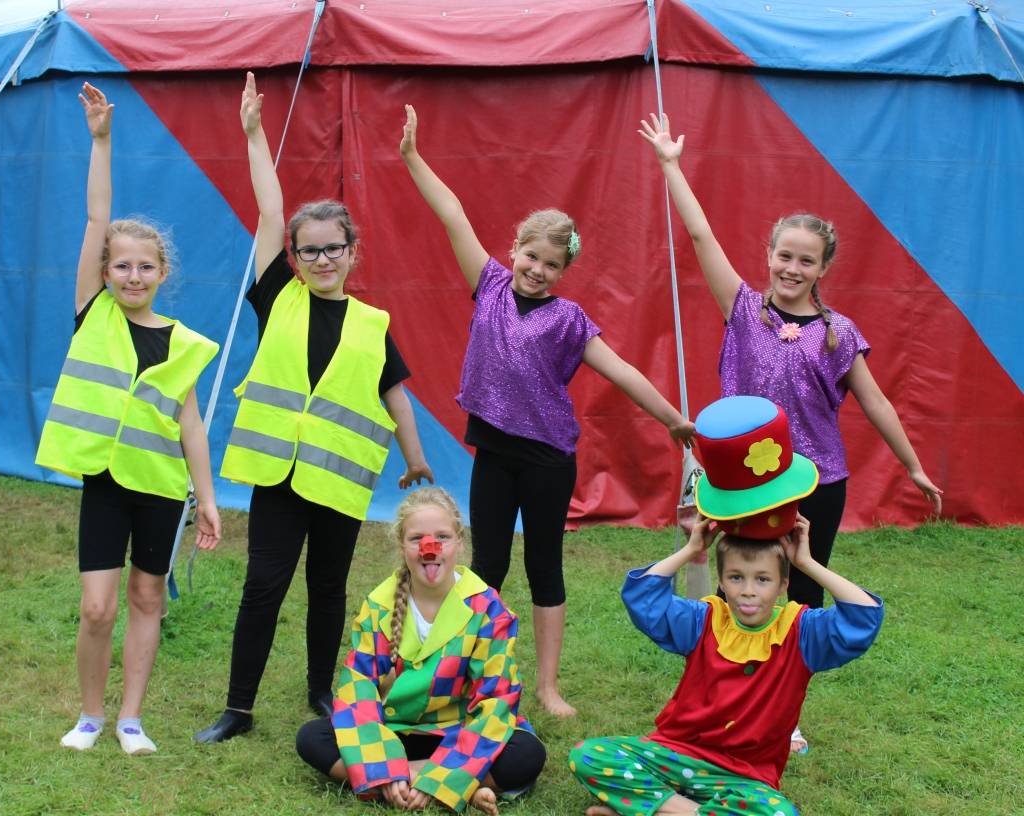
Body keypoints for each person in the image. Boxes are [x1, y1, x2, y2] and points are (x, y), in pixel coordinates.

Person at [639, 112, 940, 750]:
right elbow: (699, 236)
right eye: (784, 255)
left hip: (815, 481)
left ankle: (783, 715)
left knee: (797, 598)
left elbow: (878, 402)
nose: (792, 268)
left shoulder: (839, 333)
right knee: (738, 589)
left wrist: (912, 465)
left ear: (823, 266)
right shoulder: (744, 309)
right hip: (743, 485)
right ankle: (719, 694)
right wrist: (670, 163)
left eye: (806, 260)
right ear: (769, 256)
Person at [400, 105, 695, 717]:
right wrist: (412, 158)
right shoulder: (489, 283)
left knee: (544, 566)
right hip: (494, 452)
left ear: (565, 272)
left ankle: (547, 686)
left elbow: (622, 371)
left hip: (547, 459)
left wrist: (673, 419)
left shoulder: (570, 320)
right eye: (530, 257)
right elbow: (452, 212)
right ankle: (464, 672)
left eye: (552, 265)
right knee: (486, 564)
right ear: (514, 249)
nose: (537, 270)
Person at [194, 73, 433, 744]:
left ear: (352, 253)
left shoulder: (372, 322)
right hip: (279, 474)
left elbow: (396, 394)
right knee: (263, 587)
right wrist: (253, 134)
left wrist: (415, 461)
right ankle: (238, 709)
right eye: (310, 249)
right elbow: (270, 213)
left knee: (327, 591)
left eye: (334, 247)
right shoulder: (279, 299)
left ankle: (322, 695)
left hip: (339, 481)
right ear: (294, 259)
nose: (322, 257)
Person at [36, 82, 221, 755]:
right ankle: (89, 715)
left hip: (162, 487)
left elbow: (191, 425)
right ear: (106, 272)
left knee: (148, 598)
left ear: (162, 272)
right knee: (98, 607)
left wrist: (206, 499)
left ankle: (131, 720)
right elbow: (96, 218)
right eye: (121, 265)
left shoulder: (186, 343)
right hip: (105, 482)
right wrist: (102, 141)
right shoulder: (95, 313)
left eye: (145, 266)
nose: (132, 275)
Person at [570, 514, 883, 816]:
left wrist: (807, 563)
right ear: (720, 580)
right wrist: (691, 549)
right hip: (677, 755)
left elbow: (864, 616)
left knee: (779, 813)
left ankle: (655, 807)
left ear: (783, 584)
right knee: (588, 755)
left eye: (762, 579)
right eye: (736, 577)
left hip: (744, 776)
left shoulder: (801, 632)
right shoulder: (704, 620)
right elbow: (642, 598)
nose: (748, 590)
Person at [295, 487, 546, 814]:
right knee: (313, 737)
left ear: (459, 541)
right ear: (402, 545)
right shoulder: (380, 605)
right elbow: (358, 686)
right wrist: (384, 759)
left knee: (526, 752)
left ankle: (405, 780)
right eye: (417, 539)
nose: (430, 548)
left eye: (442, 536)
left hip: (458, 732)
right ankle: (465, 787)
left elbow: (497, 698)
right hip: (395, 732)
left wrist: (427, 771)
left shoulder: (487, 609)